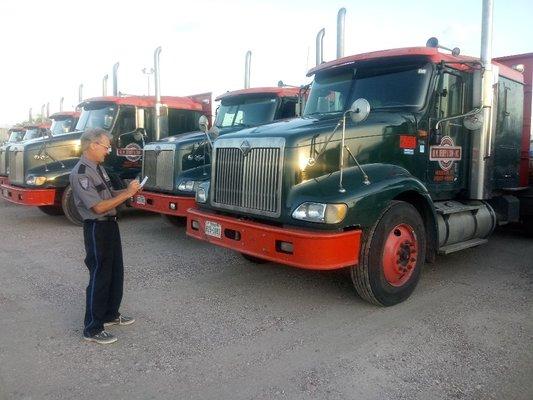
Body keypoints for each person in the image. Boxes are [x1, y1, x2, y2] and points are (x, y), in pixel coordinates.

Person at [70, 128, 141, 344]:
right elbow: (99, 207)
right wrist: (127, 194)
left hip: (110, 226)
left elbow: (110, 196)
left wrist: (129, 190)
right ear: (92, 145)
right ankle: (92, 328)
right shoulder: (81, 172)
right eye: (106, 146)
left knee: (115, 272)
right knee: (100, 276)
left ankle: (110, 314)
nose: (108, 151)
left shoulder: (99, 168)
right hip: (97, 227)